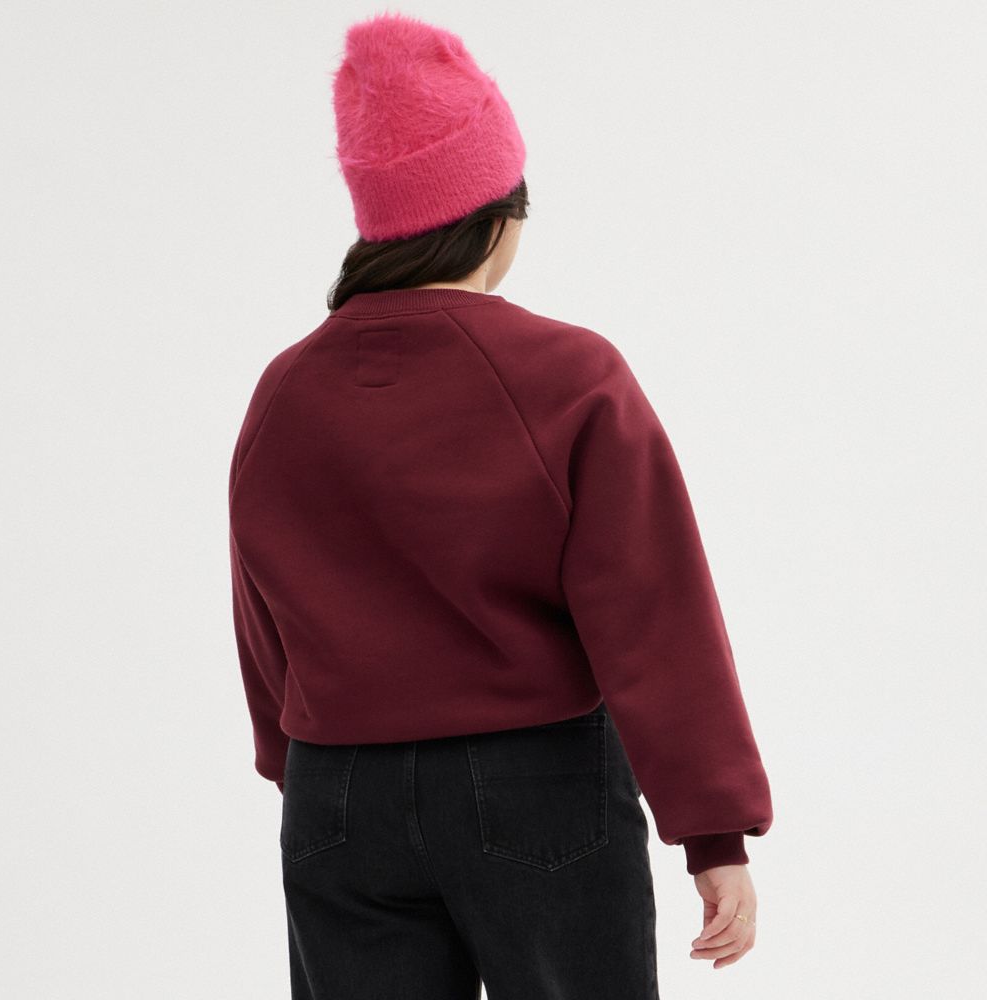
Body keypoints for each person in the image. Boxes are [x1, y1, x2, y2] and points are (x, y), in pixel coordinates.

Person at [228, 12, 773, 998]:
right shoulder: (566, 373)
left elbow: (261, 597)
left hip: (337, 791)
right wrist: (712, 828)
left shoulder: (287, 388)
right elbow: (652, 609)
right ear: (496, 212)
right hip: (532, 778)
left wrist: (290, 756)